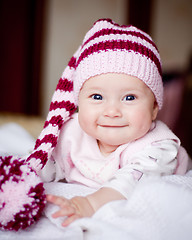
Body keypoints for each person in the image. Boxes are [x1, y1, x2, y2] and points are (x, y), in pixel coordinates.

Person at [1, 18, 189, 231]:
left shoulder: (159, 147)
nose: (111, 111)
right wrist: (18, 183)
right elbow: (45, 165)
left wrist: (89, 203)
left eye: (129, 98)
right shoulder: (71, 134)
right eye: (97, 97)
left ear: (155, 107)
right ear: (78, 101)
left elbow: (128, 183)